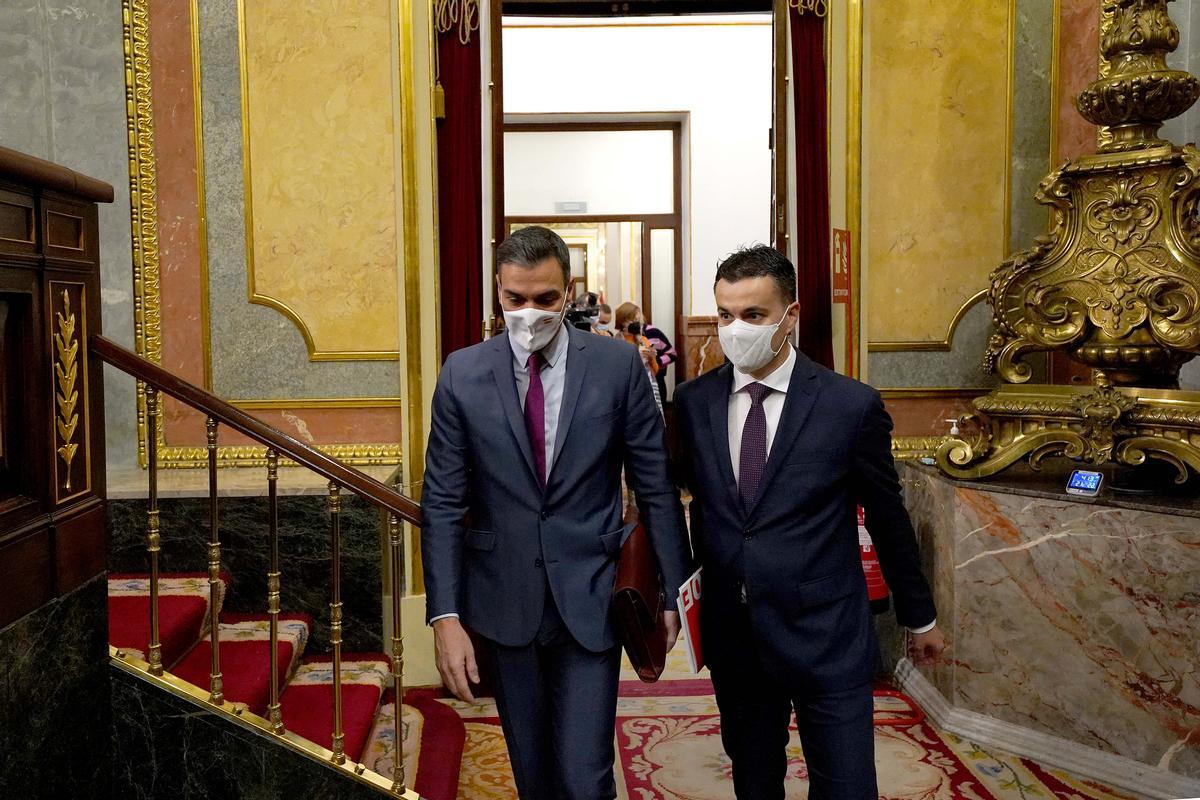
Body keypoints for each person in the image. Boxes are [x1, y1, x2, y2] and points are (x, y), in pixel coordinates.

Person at [421, 225, 693, 800]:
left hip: (591, 596)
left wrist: (673, 592)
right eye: (514, 299)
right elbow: (443, 501)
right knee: (535, 776)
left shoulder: (619, 367)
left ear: (568, 291)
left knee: (584, 777)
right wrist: (444, 615)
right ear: (497, 291)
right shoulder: (461, 373)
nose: (529, 312)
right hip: (502, 598)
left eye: (544, 299)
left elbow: (656, 486)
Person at [673, 245, 945, 800]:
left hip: (826, 632)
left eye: (754, 315)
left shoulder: (849, 406)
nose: (736, 328)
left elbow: (889, 518)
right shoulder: (693, 403)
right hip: (737, 635)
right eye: (726, 315)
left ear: (790, 316)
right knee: (754, 781)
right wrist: (673, 598)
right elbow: (678, 504)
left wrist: (919, 616)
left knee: (846, 786)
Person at [615, 302, 663, 414]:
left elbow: (654, 371)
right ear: (623, 321)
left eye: (637, 320)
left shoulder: (644, 340)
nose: (636, 324)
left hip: (647, 388)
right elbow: (617, 373)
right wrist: (636, 358)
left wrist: (651, 358)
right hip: (628, 393)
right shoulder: (616, 341)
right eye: (632, 321)